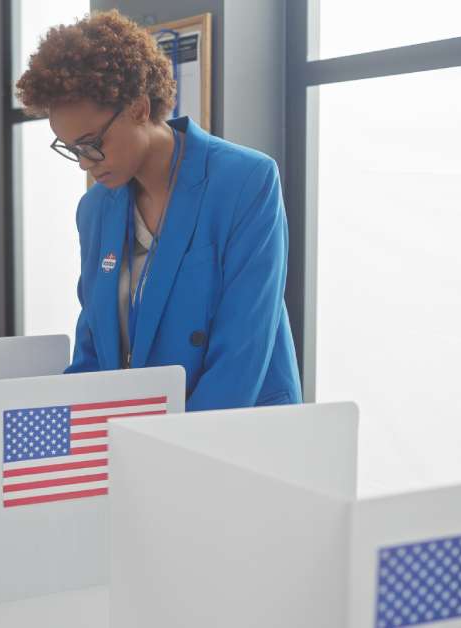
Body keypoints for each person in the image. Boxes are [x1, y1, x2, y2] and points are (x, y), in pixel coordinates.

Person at [15, 10, 302, 411]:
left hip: (238, 431)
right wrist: (63, 435)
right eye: (72, 149)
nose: (85, 162)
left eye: (91, 142)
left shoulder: (244, 181)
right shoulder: (95, 209)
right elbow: (93, 351)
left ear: (138, 106)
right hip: (140, 435)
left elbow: (242, 352)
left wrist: (172, 452)